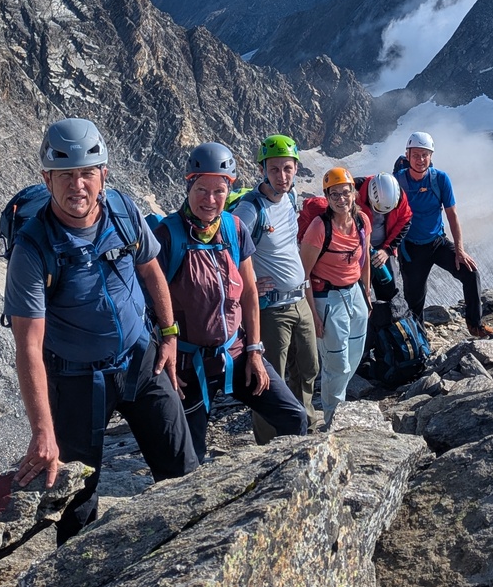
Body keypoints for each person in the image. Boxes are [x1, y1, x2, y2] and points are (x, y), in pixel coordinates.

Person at [4, 118, 198, 544]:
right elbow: (29, 347)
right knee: (79, 502)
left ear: (103, 175)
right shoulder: (32, 248)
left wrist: (169, 335)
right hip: (76, 380)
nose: (78, 185)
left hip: (141, 360)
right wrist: (42, 430)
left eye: (87, 173)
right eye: (65, 175)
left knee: (184, 472)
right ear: (47, 180)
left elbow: (151, 270)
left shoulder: (123, 212)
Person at [154, 142, 307, 461]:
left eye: (219, 191)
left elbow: (249, 291)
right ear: (188, 185)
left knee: (294, 418)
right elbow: (150, 302)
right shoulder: (168, 235)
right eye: (201, 189)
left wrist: (254, 350)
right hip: (188, 363)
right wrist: (165, 352)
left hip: (236, 352)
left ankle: (278, 485)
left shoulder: (234, 228)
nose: (210, 200)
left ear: (229, 190)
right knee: (189, 457)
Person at [232, 134, 321, 441]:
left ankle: (304, 427)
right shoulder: (250, 210)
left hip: (299, 300)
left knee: (308, 367)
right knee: (270, 380)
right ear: (262, 171)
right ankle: (270, 444)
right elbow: (225, 251)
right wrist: (246, 285)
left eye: (287, 168)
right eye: (274, 169)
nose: (282, 176)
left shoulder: (290, 197)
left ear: (295, 168)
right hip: (270, 308)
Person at [394, 131, 493, 339]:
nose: (420, 159)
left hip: (437, 243)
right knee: (414, 300)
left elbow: (452, 215)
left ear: (431, 156)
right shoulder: (397, 182)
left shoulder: (440, 179)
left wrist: (459, 250)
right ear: (407, 155)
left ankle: (475, 325)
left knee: (470, 273)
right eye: (416, 155)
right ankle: (419, 341)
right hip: (411, 249)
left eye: (425, 155)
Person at [300, 167, 371, 427]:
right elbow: (304, 274)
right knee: (336, 362)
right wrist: (313, 316)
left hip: (354, 294)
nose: (342, 199)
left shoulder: (362, 221)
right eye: (335, 194)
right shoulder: (320, 227)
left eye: (346, 192)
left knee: (354, 355)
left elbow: (365, 259)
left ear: (354, 193)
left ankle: (336, 408)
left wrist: (367, 294)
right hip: (327, 298)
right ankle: (333, 418)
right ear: (327, 197)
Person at [354, 172, 412, 299]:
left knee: (389, 288)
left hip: (382, 247)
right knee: (358, 290)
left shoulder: (399, 196)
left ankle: (386, 309)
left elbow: (405, 220)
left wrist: (387, 250)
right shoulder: (353, 188)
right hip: (357, 248)